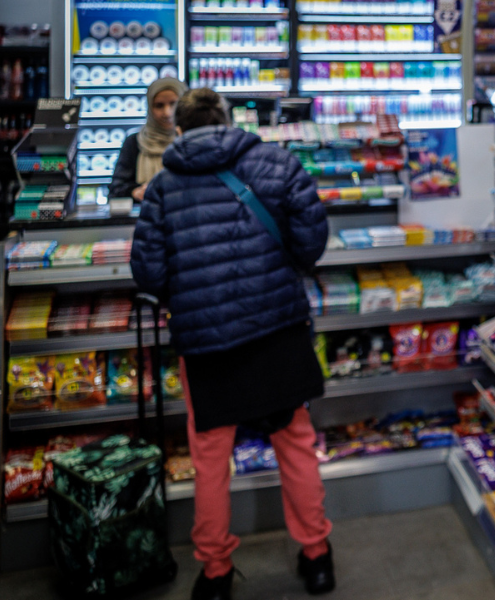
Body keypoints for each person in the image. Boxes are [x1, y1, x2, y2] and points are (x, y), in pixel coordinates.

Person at [130, 88, 332, 600]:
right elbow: (311, 242)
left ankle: (217, 573)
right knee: (296, 445)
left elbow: (148, 272)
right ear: (227, 120)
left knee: (211, 460)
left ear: (180, 128)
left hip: (207, 344)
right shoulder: (278, 163)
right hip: (278, 331)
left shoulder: (163, 186)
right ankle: (317, 557)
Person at [109, 77, 186, 200]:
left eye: (173, 104)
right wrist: (135, 192)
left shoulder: (190, 140)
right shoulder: (135, 142)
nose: (167, 113)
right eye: (159, 106)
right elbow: (116, 189)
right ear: (150, 107)